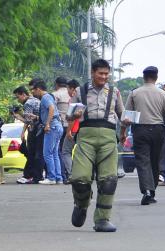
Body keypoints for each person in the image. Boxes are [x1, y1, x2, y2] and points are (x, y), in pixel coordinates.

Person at [69, 59, 124, 232]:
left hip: (108, 138)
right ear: (93, 73)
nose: (104, 77)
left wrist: (126, 122)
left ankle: (102, 219)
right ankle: (81, 204)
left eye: (106, 74)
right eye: (100, 73)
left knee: (108, 181)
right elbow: (69, 116)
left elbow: (122, 114)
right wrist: (74, 116)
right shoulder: (80, 91)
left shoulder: (115, 92)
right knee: (80, 178)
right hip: (86, 137)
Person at [122, 66, 165, 205]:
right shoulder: (163, 94)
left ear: (144, 77)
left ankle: (147, 191)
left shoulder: (134, 93)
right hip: (158, 131)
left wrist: (122, 133)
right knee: (155, 161)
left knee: (143, 161)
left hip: (140, 131)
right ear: (156, 78)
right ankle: (152, 191)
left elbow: (126, 116)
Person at [31, 80, 64, 185]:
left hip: (52, 127)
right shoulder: (49, 96)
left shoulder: (45, 97)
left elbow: (51, 108)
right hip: (57, 126)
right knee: (54, 154)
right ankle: (58, 178)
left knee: (47, 154)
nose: (33, 93)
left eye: (33, 90)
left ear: (38, 89)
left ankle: (51, 177)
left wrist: (47, 124)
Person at [13, 86, 41, 183]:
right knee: (38, 153)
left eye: (18, 97)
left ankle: (28, 175)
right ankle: (36, 175)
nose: (18, 100)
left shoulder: (28, 103)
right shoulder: (36, 100)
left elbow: (28, 120)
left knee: (32, 154)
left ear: (23, 94)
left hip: (35, 130)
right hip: (40, 130)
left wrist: (18, 117)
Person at [53, 77, 72, 183]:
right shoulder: (72, 93)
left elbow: (52, 109)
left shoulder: (56, 94)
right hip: (71, 125)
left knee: (59, 151)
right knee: (68, 151)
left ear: (57, 84)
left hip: (60, 124)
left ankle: (63, 175)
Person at [62, 79, 81, 182]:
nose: (67, 92)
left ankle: (72, 174)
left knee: (65, 152)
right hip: (82, 129)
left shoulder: (73, 100)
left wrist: (68, 131)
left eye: (68, 89)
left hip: (74, 129)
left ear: (72, 89)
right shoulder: (83, 98)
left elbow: (72, 118)